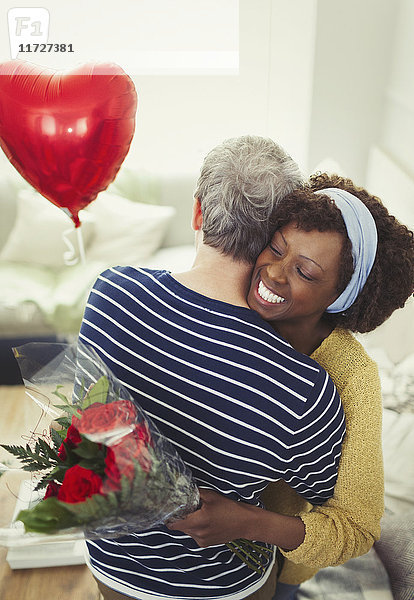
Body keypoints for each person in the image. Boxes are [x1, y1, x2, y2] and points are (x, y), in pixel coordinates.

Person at [77, 136, 346, 600]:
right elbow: (331, 512)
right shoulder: (305, 386)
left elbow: (88, 429)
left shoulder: (109, 292)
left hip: (114, 569)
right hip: (224, 587)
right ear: (274, 240)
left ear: (198, 212)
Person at [244, 173, 414, 600]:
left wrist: (238, 522)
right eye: (276, 248)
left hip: (277, 563)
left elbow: (357, 525)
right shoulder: (233, 306)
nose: (274, 273)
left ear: (340, 296)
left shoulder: (353, 377)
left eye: (304, 271)